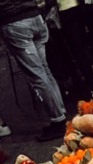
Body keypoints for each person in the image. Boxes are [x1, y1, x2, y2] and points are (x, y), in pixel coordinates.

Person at [0, 0, 67, 141]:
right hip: (35, 17)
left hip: (15, 22)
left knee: (37, 76)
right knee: (45, 71)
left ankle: (58, 120)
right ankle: (60, 115)